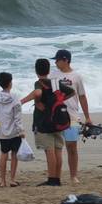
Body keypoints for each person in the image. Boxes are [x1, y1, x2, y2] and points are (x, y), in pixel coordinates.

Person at [20, 58, 75, 187]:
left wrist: (27, 101)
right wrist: (60, 100)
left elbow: (38, 93)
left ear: (36, 70)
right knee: (58, 150)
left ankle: (51, 179)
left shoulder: (39, 82)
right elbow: (72, 92)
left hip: (44, 121)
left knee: (49, 151)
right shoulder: (55, 82)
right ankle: (57, 178)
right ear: (49, 70)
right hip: (58, 120)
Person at [50, 49, 90, 184]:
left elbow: (82, 97)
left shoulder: (76, 76)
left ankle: (73, 176)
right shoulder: (53, 75)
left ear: (66, 60)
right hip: (55, 116)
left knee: (72, 147)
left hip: (72, 116)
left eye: (57, 60)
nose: (55, 62)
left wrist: (87, 117)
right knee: (57, 148)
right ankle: (56, 176)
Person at [0, 71, 25, 188]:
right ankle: (12, 180)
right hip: (14, 132)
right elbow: (17, 117)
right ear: (10, 83)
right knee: (14, 155)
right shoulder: (15, 98)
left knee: (3, 154)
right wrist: (21, 131)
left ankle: (2, 181)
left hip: (3, 132)